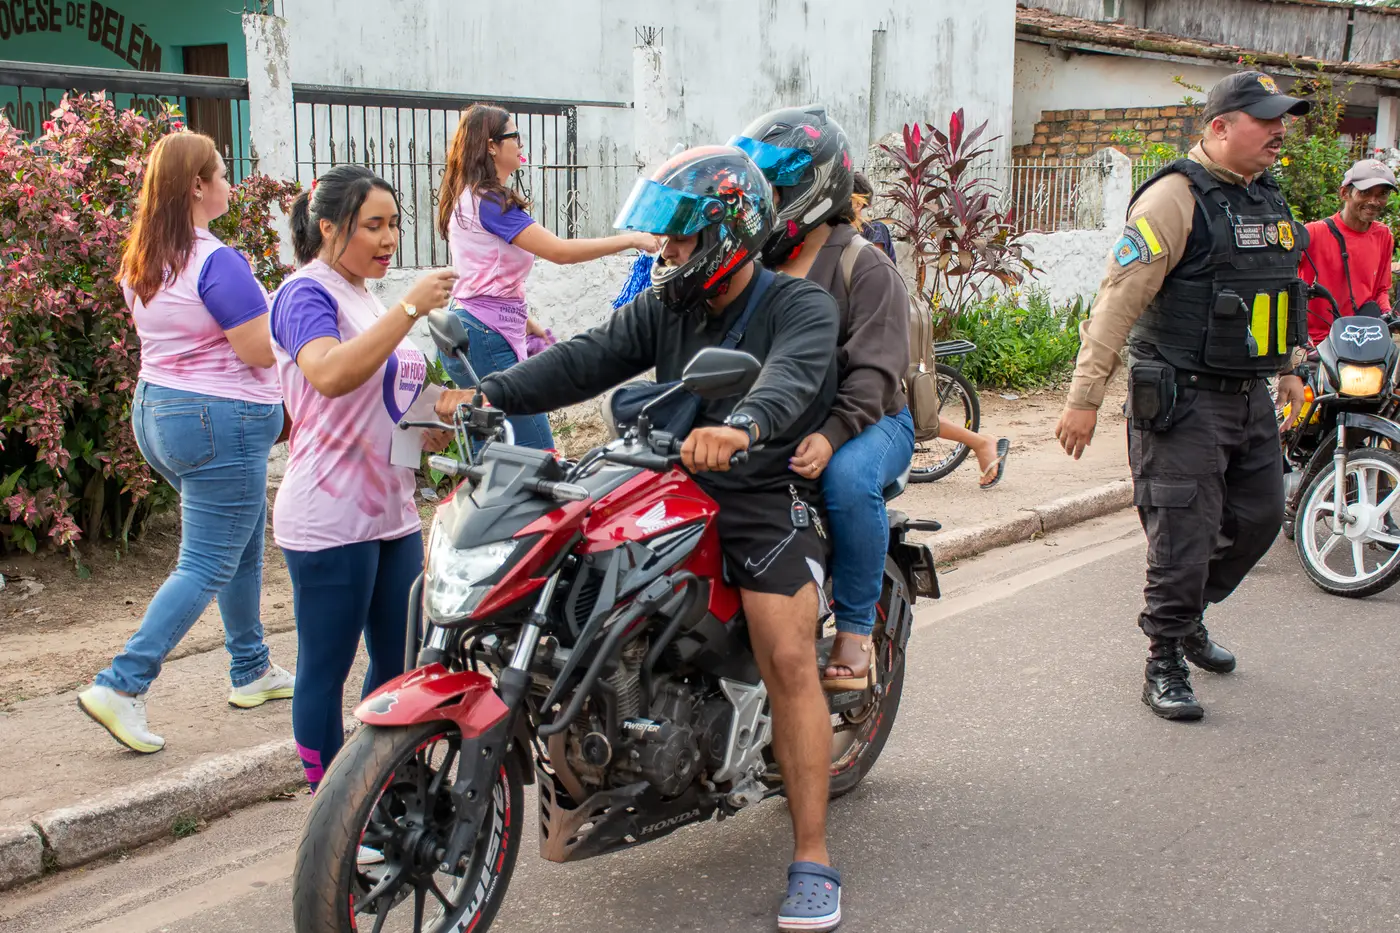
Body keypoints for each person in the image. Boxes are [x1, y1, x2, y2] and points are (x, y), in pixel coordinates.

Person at [443, 146, 846, 933]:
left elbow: (790, 377)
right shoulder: (668, 306)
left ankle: (812, 856)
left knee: (789, 656)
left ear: (728, 234)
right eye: (665, 236)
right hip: (663, 477)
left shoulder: (797, 306)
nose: (666, 250)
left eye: (681, 237)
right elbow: (584, 359)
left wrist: (743, 426)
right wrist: (487, 393)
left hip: (761, 491)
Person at [1054, 70, 1312, 721]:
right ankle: (1164, 656)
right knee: (1184, 532)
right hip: (1181, 399)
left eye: (1282, 119)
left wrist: (1290, 365)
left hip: (1249, 394)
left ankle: (1188, 608)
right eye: (1266, 119)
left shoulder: (1263, 195)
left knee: (1260, 517)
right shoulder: (1174, 197)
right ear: (1220, 127)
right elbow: (1117, 301)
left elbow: (1281, 287)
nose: (1280, 131)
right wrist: (1084, 396)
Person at [78, 132, 292, 754]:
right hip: (218, 420)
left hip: (158, 412)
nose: (229, 183)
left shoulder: (145, 258)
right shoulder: (216, 261)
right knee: (206, 561)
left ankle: (251, 668)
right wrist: (298, 318)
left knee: (238, 542)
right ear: (197, 186)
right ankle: (122, 683)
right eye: (221, 173)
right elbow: (257, 350)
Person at [270, 165, 457, 794]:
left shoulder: (367, 297)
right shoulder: (304, 294)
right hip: (329, 516)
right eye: (372, 225)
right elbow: (329, 374)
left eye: (394, 225)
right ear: (328, 227)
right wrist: (410, 308)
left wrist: (429, 422)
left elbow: (380, 395)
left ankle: (380, 793)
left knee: (401, 663)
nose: (389, 239)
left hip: (391, 512)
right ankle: (329, 810)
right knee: (325, 670)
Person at [729, 106, 913, 692]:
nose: (761, 200)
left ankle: (856, 630)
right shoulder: (756, 263)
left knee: (846, 480)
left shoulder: (866, 266)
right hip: (785, 417)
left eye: (774, 187)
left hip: (871, 420)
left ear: (812, 188)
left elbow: (875, 375)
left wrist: (832, 436)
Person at [435, 103, 659, 449]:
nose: (521, 144)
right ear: (492, 146)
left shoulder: (470, 198)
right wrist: (632, 239)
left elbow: (481, 277)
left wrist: (527, 323)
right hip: (485, 336)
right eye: (514, 136)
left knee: (496, 452)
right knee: (536, 451)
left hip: (473, 326)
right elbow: (559, 251)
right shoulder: (490, 203)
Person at [852, 173, 1010, 487]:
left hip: (884, 331)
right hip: (872, 331)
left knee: (902, 407)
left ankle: (982, 442)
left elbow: (874, 283)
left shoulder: (872, 233)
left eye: (856, 204)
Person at [1300, 158, 1397, 344]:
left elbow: (1380, 290)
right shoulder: (1313, 233)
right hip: (1318, 342)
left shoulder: (1383, 235)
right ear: (1345, 193)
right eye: (1365, 193)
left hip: (1364, 339)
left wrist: (1387, 314)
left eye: (1382, 194)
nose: (1374, 201)